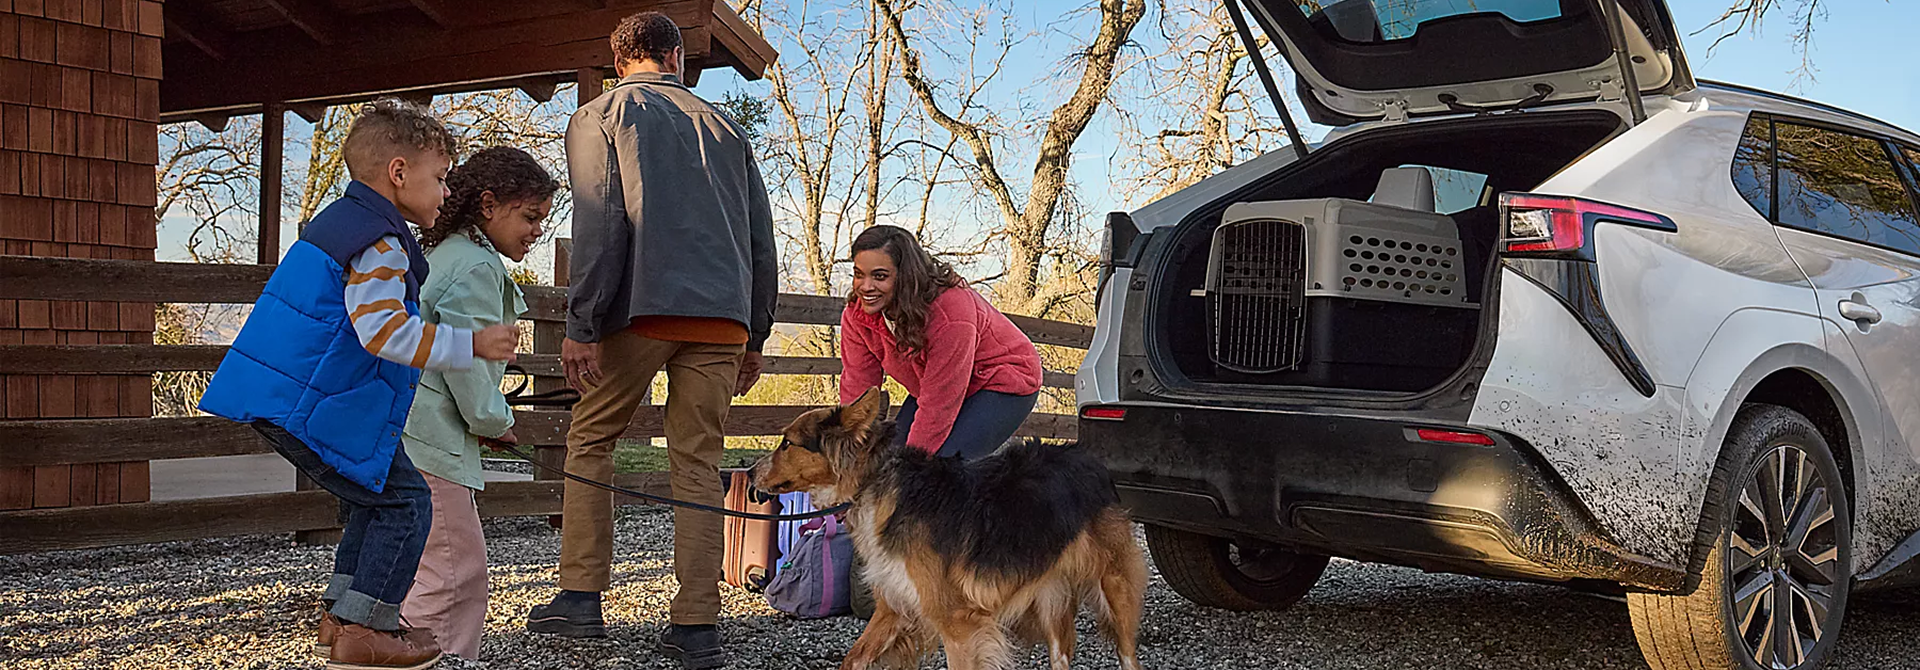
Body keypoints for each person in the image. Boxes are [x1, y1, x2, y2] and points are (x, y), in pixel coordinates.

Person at [196, 99, 521, 670]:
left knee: (372, 497)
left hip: (294, 399)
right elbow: (384, 333)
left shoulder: (345, 224)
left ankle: (344, 617)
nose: (447, 193)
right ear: (399, 174)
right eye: (440, 178)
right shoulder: (380, 242)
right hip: (305, 403)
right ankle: (368, 627)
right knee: (405, 502)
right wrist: (468, 344)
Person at [524, 11, 777, 670]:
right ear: (675, 57)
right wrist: (755, 332)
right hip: (722, 319)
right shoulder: (726, 128)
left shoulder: (601, 114)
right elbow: (760, 241)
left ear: (620, 61)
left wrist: (583, 324)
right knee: (697, 461)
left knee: (591, 439)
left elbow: (602, 221)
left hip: (642, 309)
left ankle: (580, 598)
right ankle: (696, 628)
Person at [397, 146, 557, 660]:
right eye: (530, 217)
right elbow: (467, 366)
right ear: (488, 205)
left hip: (407, 432)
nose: (537, 231)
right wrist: (496, 419)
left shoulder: (446, 255)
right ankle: (437, 660)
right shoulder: (475, 269)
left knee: (419, 565)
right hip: (430, 440)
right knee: (453, 572)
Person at [839, 225, 1044, 459]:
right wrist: (849, 451)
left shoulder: (950, 314)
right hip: (937, 385)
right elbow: (859, 388)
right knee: (886, 460)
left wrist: (910, 471)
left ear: (905, 276)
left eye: (880, 276)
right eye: (858, 274)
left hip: (1001, 382)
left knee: (938, 470)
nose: (865, 287)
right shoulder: (858, 315)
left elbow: (938, 408)